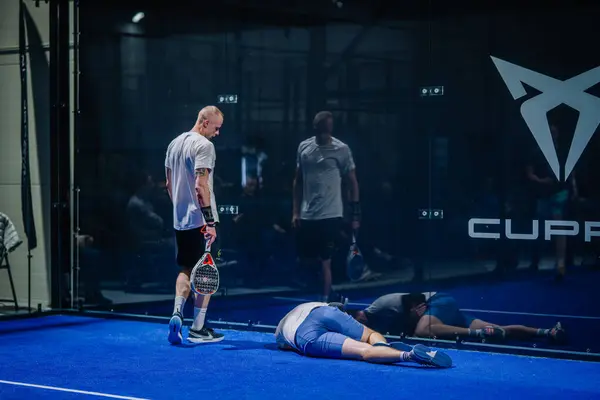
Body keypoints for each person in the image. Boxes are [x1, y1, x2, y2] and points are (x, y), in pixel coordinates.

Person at [164, 106, 225, 345]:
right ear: (204, 122)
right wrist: (209, 222)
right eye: (216, 128)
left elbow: (169, 185)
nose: (217, 134)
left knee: (186, 269)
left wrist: (182, 210)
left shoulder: (174, 144)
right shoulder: (204, 146)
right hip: (201, 221)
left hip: (181, 221)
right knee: (206, 274)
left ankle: (177, 312)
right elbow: (201, 186)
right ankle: (198, 329)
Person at [292, 111, 361, 302]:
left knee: (325, 260)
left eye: (327, 128)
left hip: (331, 215)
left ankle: (324, 300)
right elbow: (297, 182)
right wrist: (296, 211)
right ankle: (329, 295)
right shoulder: (304, 148)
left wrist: (355, 215)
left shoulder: (342, 149)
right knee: (309, 260)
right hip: (307, 215)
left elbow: (352, 182)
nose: (324, 132)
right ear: (315, 128)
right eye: (321, 128)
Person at [275, 301, 452, 367]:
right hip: (323, 311)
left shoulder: (281, 329)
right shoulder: (329, 308)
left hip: (303, 333)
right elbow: (336, 308)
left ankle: (408, 355)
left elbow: (283, 344)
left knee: (363, 351)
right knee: (370, 335)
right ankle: (384, 348)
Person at [352, 292, 566, 344]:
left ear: (360, 314)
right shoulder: (375, 324)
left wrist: (416, 310)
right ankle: (547, 332)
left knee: (422, 330)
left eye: (357, 320)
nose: (359, 323)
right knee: (499, 328)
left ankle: (478, 334)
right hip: (441, 311)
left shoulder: (377, 306)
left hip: (438, 302)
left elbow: (412, 297)